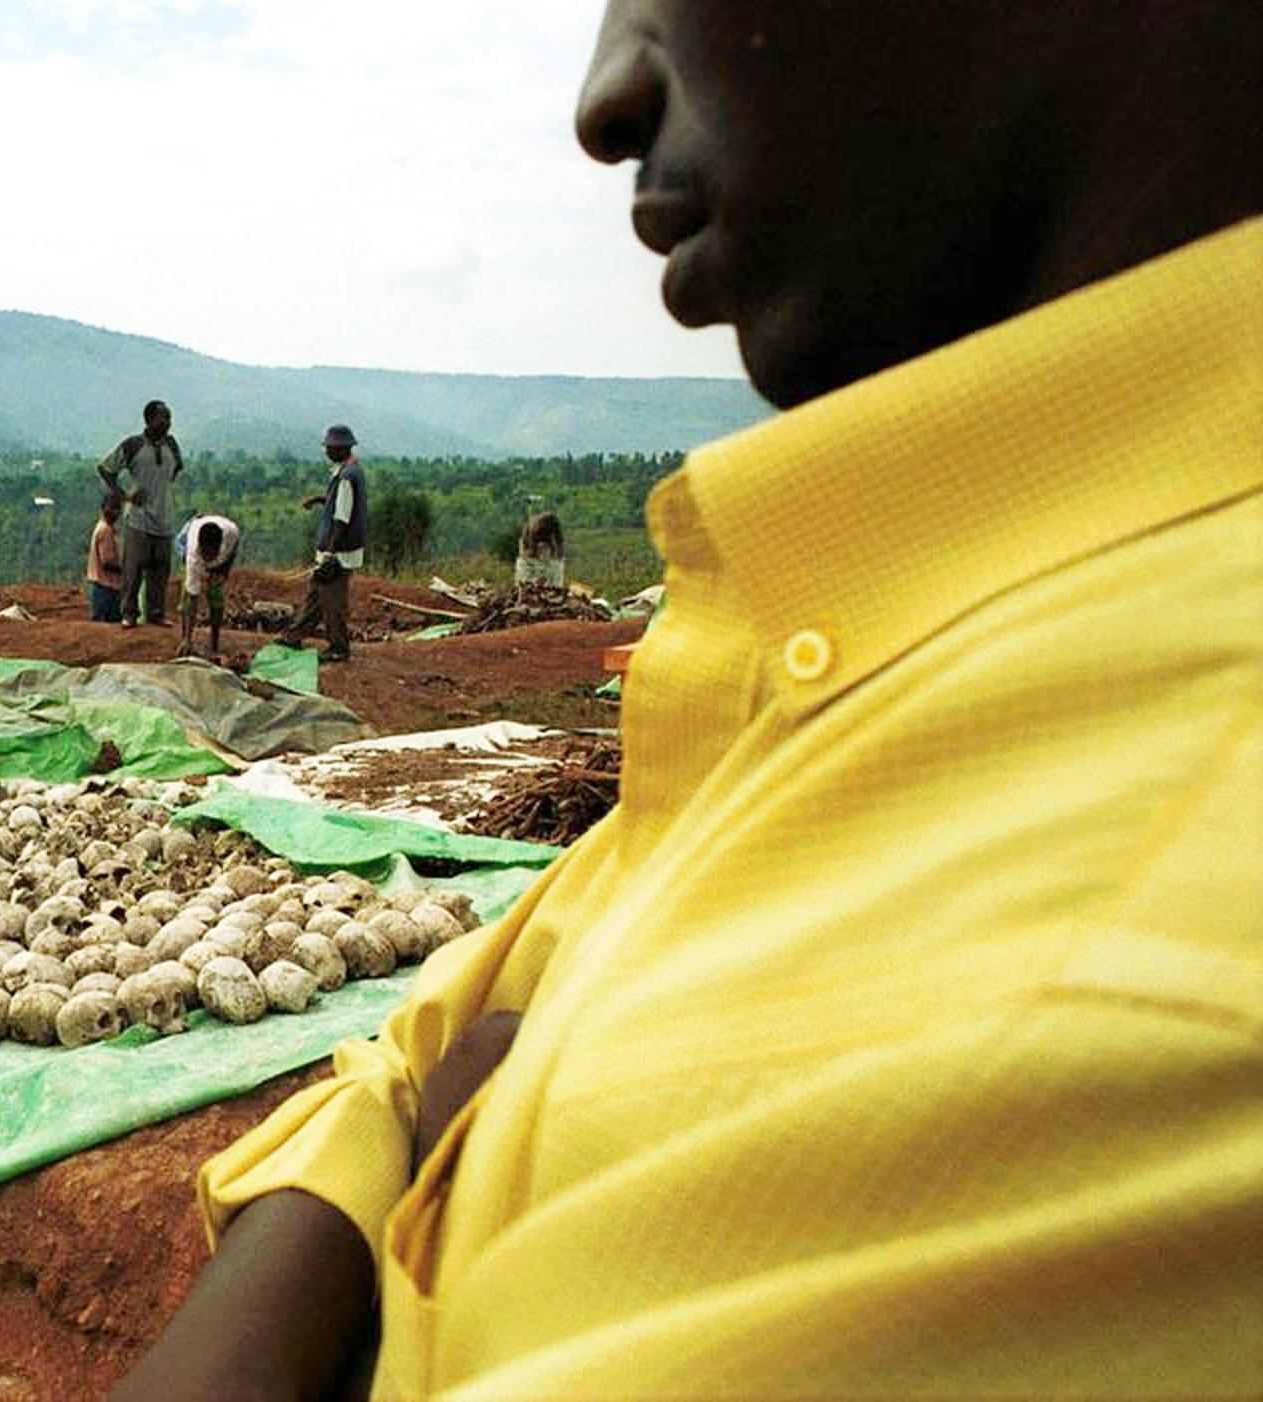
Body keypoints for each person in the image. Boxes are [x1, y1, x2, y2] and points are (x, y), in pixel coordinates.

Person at [117, 5, 1261, 1399]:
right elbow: (421, 1045)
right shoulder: (862, 643)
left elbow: (430, 1061)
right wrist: (414, 1126)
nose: (606, 94)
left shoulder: (1132, 1007)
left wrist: (406, 1167)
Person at [275, 424, 365, 663]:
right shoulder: (349, 471)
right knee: (315, 596)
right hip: (337, 550)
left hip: (338, 553)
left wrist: (329, 553)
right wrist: (319, 500)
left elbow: (342, 518)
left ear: (341, 448)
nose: (327, 451)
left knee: (332, 602)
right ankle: (294, 635)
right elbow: (340, 503)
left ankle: (339, 647)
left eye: (330, 448)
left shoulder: (346, 477)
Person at [96, 398, 184, 628]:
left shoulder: (172, 446)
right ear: (150, 419)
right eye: (163, 417)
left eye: (169, 418)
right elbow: (105, 469)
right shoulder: (133, 445)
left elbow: (175, 471)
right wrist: (125, 495)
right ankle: (129, 614)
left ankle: (156, 614)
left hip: (165, 519)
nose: (168, 422)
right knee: (132, 570)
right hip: (138, 519)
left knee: (160, 571)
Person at [177, 512, 240, 662]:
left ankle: (214, 643)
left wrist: (223, 572)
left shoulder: (231, 534)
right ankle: (185, 638)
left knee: (216, 595)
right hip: (186, 536)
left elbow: (233, 551)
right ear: (200, 549)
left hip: (219, 536)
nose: (208, 559)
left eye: (212, 555)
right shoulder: (193, 554)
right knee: (187, 593)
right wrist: (187, 640)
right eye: (205, 555)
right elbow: (192, 598)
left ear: (220, 547)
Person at [86, 493, 125, 622]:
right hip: (106, 589)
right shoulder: (105, 530)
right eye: (111, 508)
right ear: (103, 508)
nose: (114, 512)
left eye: (117, 509)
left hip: (103, 588)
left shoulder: (102, 527)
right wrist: (126, 569)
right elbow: (107, 562)